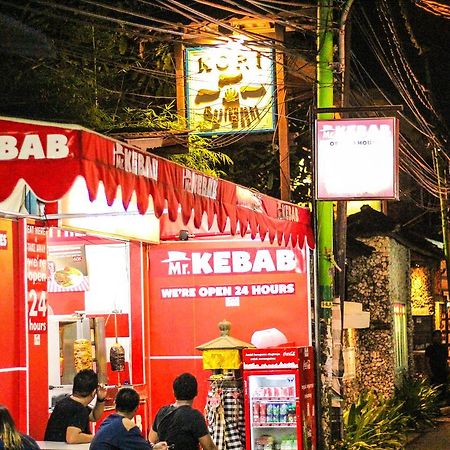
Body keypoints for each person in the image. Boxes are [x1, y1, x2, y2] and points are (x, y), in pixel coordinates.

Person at [149, 373, 217, 450]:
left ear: (174, 392)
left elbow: (152, 440)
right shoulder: (195, 416)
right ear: (196, 392)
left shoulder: (162, 412)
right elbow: (209, 447)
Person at [90, 387, 168, 450]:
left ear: (115, 404)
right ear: (137, 408)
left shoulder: (108, 420)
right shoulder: (127, 426)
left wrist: (154, 447)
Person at [44, 369, 107, 443]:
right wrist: (98, 437)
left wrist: (100, 400)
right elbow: (72, 438)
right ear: (93, 392)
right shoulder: (79, 409)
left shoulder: (64, 402)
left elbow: (93, 416)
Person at [425, 329, 449, 400]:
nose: (440, 338)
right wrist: (430, 372)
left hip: (443, 372)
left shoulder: (444, 348)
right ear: (433, 338)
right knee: (435, 390)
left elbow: (445, 360)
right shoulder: (430, 348)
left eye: (440, 336)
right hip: (434, 372)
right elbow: (427, 361)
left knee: (443, 390)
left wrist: (447, 368)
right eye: (438, 336)